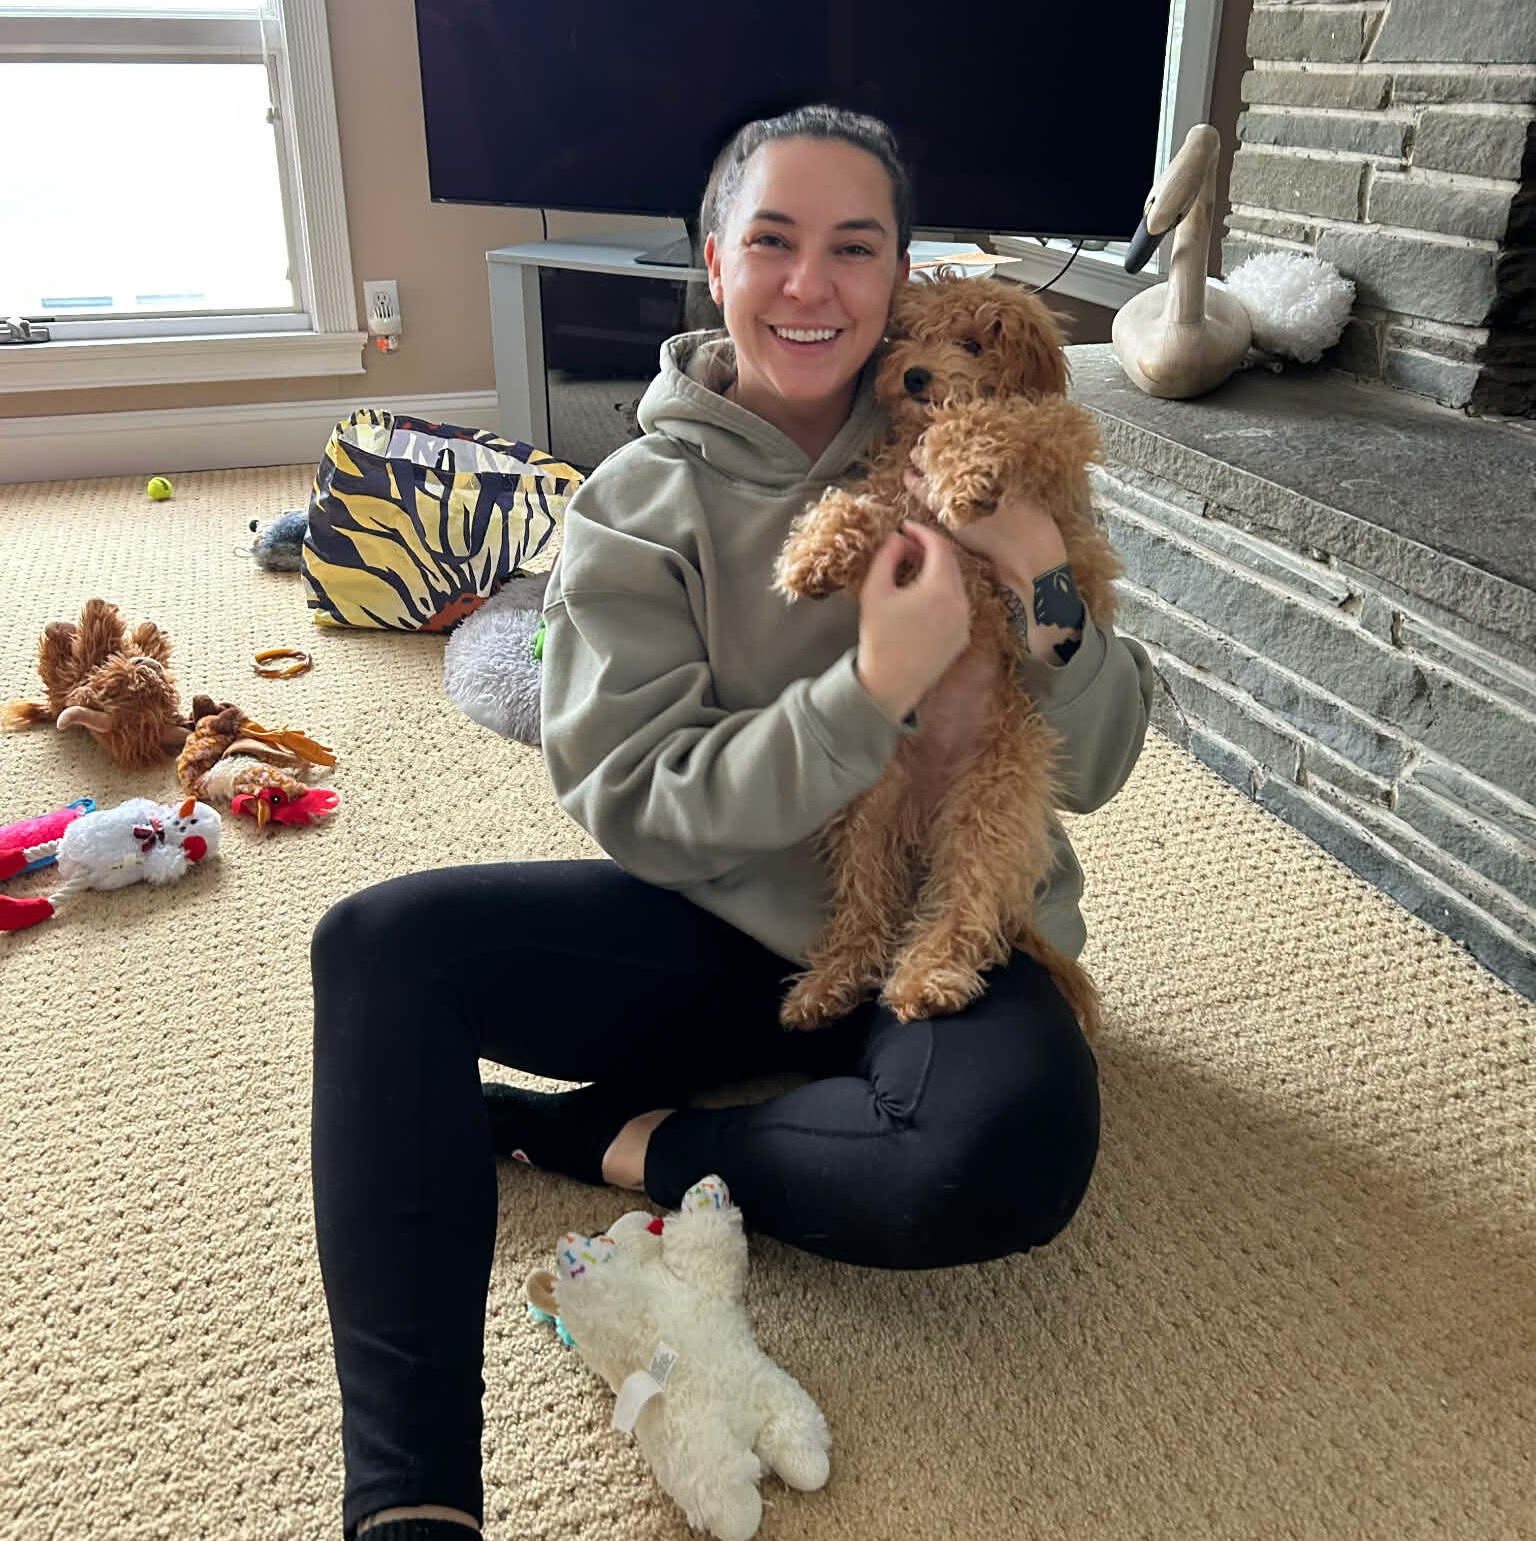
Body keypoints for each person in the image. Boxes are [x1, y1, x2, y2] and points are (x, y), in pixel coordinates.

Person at [309, 105, 1156, 1541]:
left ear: (903, 280)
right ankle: (413, 1508)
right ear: (715, 265)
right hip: (721, 927)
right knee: (380, 947)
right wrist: (871, 691)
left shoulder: (1002, 456)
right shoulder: (637, 505)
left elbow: (1109, 753)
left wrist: (1039, 583)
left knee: (1001, 1155)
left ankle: (616, 1141)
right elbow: (643, 802)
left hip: (946, 925)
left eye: (854, 247)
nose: (811, 286)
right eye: (773, 242)